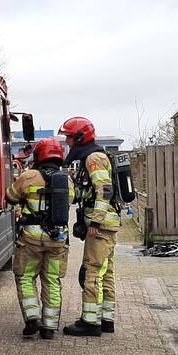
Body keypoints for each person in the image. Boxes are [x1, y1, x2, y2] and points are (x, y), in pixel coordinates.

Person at [5, 137, 73, 339]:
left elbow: (10, 197)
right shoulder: (67, 180)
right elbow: (73, 200)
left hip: (32, 240)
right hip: (58, 239)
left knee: (26, 277)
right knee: (52, 280)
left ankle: (32, 317)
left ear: (39, 155)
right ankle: (50, 328)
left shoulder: (29, 176)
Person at [60, 116, 119, 337]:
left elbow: (104, 190)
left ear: (81, 137)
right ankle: (106, 320)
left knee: (92, 271)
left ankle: (90, 322)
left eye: (69, 137)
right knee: (106, 272)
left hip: (100, 226)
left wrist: (95, 221)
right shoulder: (92, 156)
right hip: (107, 224)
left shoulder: (94, 157)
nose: (67, 142)